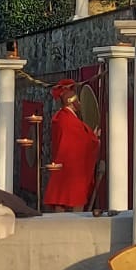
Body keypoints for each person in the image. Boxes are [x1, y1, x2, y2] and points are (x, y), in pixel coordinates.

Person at [43, 79, 100, 211]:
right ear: (72, 102)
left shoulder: (61, 117)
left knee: (61, 198)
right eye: (77, 100)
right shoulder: (68, 120)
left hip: (63, 165)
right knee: (72, 201)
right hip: (72, 168)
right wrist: (94, 138)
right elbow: (82, 139)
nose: (79, 103)